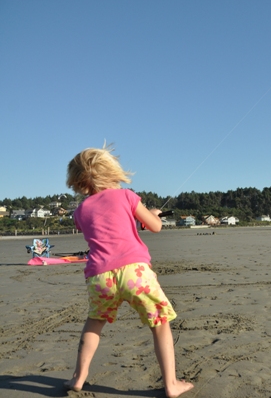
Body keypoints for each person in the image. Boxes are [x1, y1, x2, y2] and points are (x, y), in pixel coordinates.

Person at [64, 145, 193, 398]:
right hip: (135, 273)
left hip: (99, 276)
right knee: (159, 323)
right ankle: (171, 384)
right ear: (113, 172)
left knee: (95, 321)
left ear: (78, 181)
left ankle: (78, 378)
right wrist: (149, 216)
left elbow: (102, 228)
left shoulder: (80, 211)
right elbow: (155, 226)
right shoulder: (126, 195)